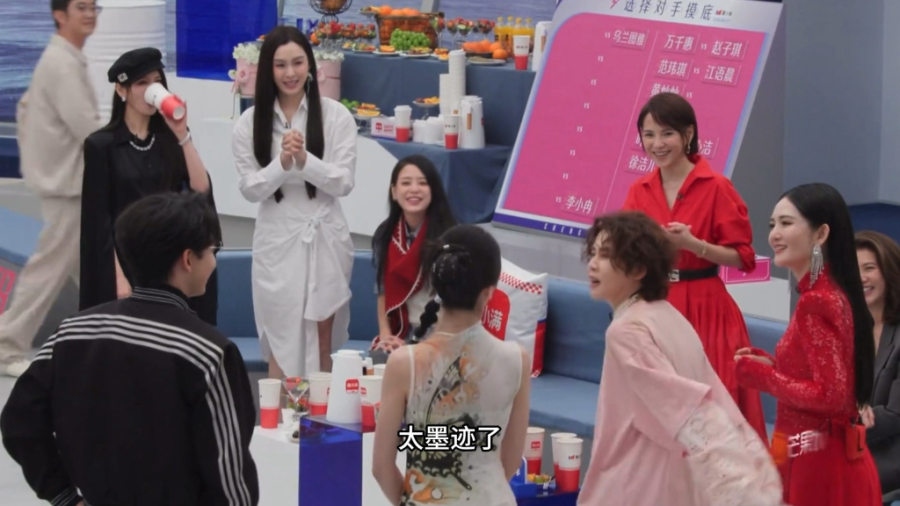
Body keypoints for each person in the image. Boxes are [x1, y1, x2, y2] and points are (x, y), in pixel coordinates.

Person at [0, 192, 259, 506]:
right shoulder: (207, 352)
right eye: (212, 250)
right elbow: (229, 477)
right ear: (188, 260)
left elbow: (19, 421)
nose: (214, 261)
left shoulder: (70, 332)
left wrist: (65, 497)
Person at [577, 211, 782, 506]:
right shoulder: (667, 314)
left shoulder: (626, 331)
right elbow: (712, 398)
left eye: (606, 255)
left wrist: (740, 487)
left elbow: (685, 408)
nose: (593, 264)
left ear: (639, 269)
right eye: (593, 253)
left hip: (639, 481)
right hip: (674, 477)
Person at [622, 92, 768, 441]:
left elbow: (744, 257)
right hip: (657, 304)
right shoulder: (639, 190)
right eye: (648, 135)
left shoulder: (717, 187)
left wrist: (693, 245)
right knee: (659, 412)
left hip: (707, 307)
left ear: (688, 134)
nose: (657, 144)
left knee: (715, 411)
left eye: (667, 133)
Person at [736, 183, 881, 505]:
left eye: (786, 223)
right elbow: (829, 375)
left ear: (821, 233)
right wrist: (775, 365)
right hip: (810, 449)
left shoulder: (818, 301)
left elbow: (832, 396)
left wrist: (763, 377)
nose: (774, 234)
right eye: (772, 224)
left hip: (819, 460)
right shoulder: (826, 294)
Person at [373, 225, 531, 505]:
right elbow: (510, 461)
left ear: (435, 285)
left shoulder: (405, 362)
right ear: (489, 293)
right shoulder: (517, 359)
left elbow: (382, 467)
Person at [233, 26, 356, 377]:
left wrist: (304, 161)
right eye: (280, 65)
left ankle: (320, 410)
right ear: (267, 70)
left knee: (322, 338)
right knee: (280, 336)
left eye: (298, 63)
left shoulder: (336, 115)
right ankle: (281, 411)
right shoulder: (248, 123)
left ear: (310, 65)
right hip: (276, 239)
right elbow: (250, 189)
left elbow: (343, 181)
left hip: (324, 233)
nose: (290, 73)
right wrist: (282, 164)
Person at [80, 47, 218, 324]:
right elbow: (99, 221)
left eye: (156, 82)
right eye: (141, 83)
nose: (150, 90)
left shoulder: (169, 139)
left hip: (170, 261)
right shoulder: (102, 145)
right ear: (122, 90)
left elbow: (200, 190)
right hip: (127, 260)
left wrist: (182, 134)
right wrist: (118, 278)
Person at [0, 0, 101, 377]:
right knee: (50, 269)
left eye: (93, 7)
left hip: (67, 180)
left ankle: (108, 341)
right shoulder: (62, 64)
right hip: (67, 185)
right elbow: (86, 127)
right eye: (81, 7)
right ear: (60, 15)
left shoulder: (64, 59)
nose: (89, 14)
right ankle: (7, 343)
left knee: (93, 271)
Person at [370, 155, 456, 355]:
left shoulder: (449, 236)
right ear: (394, 192)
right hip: (402, 331)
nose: (414, 189)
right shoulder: (385, 234)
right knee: (378, 359)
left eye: (423, 183)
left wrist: (424, 345)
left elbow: (455, 303)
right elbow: (382, 291)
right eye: (406, 183)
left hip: (441, 334)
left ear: (433, 190)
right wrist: (386, 336)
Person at [856, 230, 900, 495]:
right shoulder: (847, 328)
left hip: (890, 463)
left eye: (869, 268)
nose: (860, 277)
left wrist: (838, 427)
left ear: (889, 271)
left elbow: (896, 415)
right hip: (850, 452)